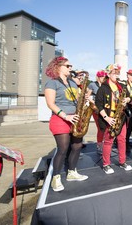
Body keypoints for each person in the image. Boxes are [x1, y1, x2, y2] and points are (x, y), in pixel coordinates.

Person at [44, 56, 88, 192]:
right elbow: (50, 103)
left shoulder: (72, 83)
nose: (71, 68)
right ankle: (55, 178)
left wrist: (84, 98)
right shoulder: (52, 83)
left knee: (77, 146)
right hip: (60, 119)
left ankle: (71, 172)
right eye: (68, 66)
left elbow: (76, 99)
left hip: (75, 118)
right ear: (58, 67)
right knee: (62, 149)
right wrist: (65, 116)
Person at [95, 63, 132, 174]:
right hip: (109, 117)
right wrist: (107, 118)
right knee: (108, 141)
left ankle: (122, 162)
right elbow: (98, 104)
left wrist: (127, 100)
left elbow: (129, 96)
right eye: (115, 73)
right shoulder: (103, 88)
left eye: (118, 73)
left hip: (121, 117)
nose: (117, 75)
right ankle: (106, 164)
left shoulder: (122, 86)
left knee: (122, 140)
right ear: (109, 74)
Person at [88, 70, 107, 154]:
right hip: (96, 109)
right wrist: (93, 102)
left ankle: (105, 144)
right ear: (98, 77)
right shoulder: (92, 84)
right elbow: (87, 96)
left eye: (105, 76)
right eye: (102, 76)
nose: (104, 78)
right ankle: (99, 145)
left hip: (105, 109)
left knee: (105, 128)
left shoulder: (106, 85)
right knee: (100, 128)